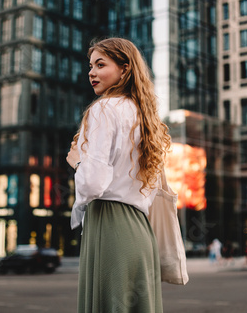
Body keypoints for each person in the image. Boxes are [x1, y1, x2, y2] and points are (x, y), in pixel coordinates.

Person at [66, 37, 170, 312]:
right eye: (90, 66)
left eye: (101, 64)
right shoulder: (145, 117)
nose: (92, 72)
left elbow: (92, 184)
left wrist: (77, 163)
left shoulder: (103, 109)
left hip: (109, 225)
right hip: (140, 231)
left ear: (124, 69)